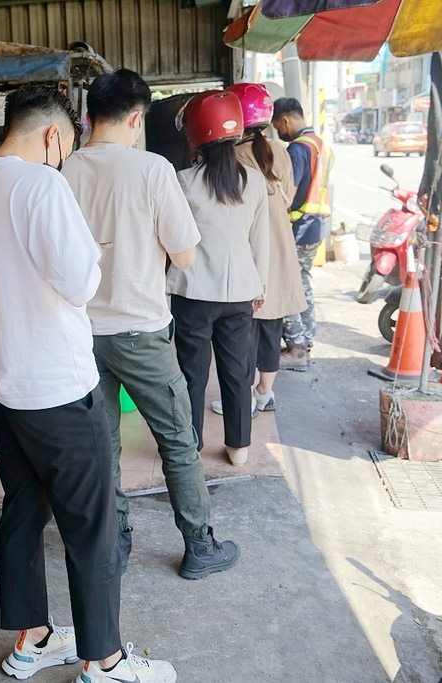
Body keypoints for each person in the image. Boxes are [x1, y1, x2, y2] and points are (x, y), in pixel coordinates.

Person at [0, 85, 176, 683]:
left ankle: (34, 639)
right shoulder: (42, 185)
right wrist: (89, 255)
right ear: (51, 136)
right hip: (60, 390)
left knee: (23, 511)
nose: (64, 158)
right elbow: (80, 284)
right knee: (91, 525)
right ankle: (105, 660)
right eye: (66, 147)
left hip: (2, 384)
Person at [62, 69, 239, 581]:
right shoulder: (153, 170)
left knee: (104, 446)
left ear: (90, 116)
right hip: (140, 330)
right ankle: (199, 545)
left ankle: (114, 543)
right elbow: (184, 256)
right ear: (137, 118)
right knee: (177, 440)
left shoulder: (63, 171)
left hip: (82, 333)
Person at [169, 90, 270, 467]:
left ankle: (191, 445)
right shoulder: (255, 181)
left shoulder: (182, 181)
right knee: (237, 372)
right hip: (242, 292)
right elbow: (260, 241)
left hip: (194, 292)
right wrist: (260, 285)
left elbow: (173, 241)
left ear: (195, 134)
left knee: (191, 374)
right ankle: (239, 447)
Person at [209, 83, 306, 415]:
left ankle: (245, 397)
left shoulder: (233, 154)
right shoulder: (280, 149)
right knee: (271, 327)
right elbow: (289, 195)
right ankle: (265, 393)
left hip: (252, 249)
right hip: (282, 247)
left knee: (243, 332)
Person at [271, 97, 334, 371]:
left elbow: (289, 193)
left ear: (284, 120)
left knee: (286, 287)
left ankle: (296, 348)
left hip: (297, 227)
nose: (278, 132)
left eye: (277, 126)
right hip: (316, 225)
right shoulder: (320, 144)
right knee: (304, 284)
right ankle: (306, 341)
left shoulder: (297, 149)